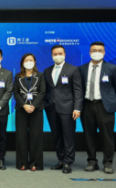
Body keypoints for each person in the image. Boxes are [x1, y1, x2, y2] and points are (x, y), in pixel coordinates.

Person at [44, 45, 83, 174]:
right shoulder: (47, 70)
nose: (57, 55)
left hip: (68, 108)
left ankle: (68, 162)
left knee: (68, 136)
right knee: (56, 136)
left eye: (60, 53)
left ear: (64, 54)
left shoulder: (73, 69)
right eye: (55, 54)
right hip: (51, 108)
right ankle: (61, 159)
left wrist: (77, 108)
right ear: (52, 55)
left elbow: (78, 90)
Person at [79, 41, 116, 174]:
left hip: (104, 107)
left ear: (104, 52)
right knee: (89, 136)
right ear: (89, 52)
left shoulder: (112, 68)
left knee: (108, 136)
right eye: (94, 50)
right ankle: (92, 162)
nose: (96, 52)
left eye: (100, 50)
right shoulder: (81, 69)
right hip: (87, 106)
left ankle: (108, 162)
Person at [13, 53, 46, 171]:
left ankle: (34, 163)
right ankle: (22, 162)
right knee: (21, 137)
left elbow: (42, 92)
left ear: (35, 62)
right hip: (21, 110)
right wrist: (24, 105)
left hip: (36, 110)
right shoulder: (18, 76)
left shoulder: (40, 75)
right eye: (26, 60)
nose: (28, 62)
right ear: (22, 62)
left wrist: (33, 106)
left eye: (31, 60)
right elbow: (15, 92)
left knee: (35, 136)